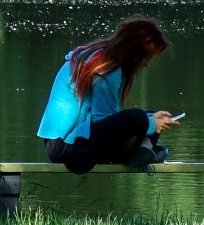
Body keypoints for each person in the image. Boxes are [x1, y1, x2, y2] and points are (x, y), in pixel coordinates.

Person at [36, 17, 182, 173]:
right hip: (67, 149)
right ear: (133, 51)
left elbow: (109, 122)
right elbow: (102, 120)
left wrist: (150, 121)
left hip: (68, 143)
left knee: (148, 116)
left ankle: (143, 151)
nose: (146, 64)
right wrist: (150, 125)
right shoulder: (107, 68)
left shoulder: (102, 57)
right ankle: (143, 150)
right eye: (146, 58)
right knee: (138, 118)